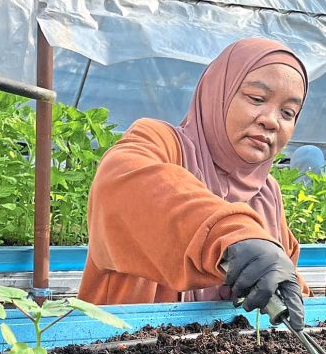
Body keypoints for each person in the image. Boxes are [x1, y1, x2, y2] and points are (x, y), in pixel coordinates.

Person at [78, 38, 309, 329]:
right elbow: (124, 187)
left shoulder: (267, 195)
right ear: (218, 93)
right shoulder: (160, 144)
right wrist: (233, 238)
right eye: (256, 98)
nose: (271, 121)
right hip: (119, 347)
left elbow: (277, 279)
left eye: (287, 113)